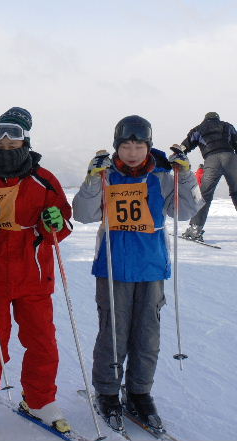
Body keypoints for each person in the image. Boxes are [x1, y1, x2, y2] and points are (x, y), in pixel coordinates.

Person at [72, 115, 203, 431]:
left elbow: (186, 210)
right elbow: (83, 214)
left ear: (148, 146)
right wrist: (92, 179)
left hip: (151, 265)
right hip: (113, 266)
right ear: (117, 147)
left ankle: (139, 392)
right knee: (113, 332)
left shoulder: (162, 175)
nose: (132, 152)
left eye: (139, 146)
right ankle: (107, 391)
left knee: (147, 334)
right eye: (126, 146)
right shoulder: (107, 175)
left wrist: (185, 176)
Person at [0, 107, 74, 436]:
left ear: (25, 139)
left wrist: (55, 222)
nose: (6, 142)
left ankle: (39, 399)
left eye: (13, 135)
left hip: (34, 274)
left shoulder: (44, 179)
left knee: (42, 342)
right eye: (0, 135)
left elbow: (63, 223)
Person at [180, 112, 237, 241]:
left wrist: (178, 154)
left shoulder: (198, 129)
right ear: (218, 119)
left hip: (212, 160)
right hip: (231, 158)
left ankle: (195, 229)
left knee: (204, 195)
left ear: (205, 119)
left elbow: (185, 146)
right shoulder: (227, 126)